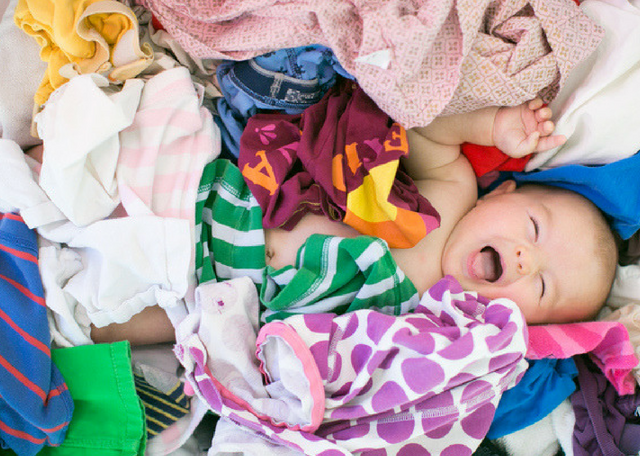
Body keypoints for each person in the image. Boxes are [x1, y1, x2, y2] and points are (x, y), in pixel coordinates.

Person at [90, 99, 618, 345]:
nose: (525, 259)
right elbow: (431, 134)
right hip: (233, 212)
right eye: (532, 227)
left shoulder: (453, 329)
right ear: (499, 193)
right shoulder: (454, 196)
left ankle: (69, 324)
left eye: (542, 285)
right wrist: (497, 125)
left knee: (130, 324)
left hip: (232, 303)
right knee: (117, 183)